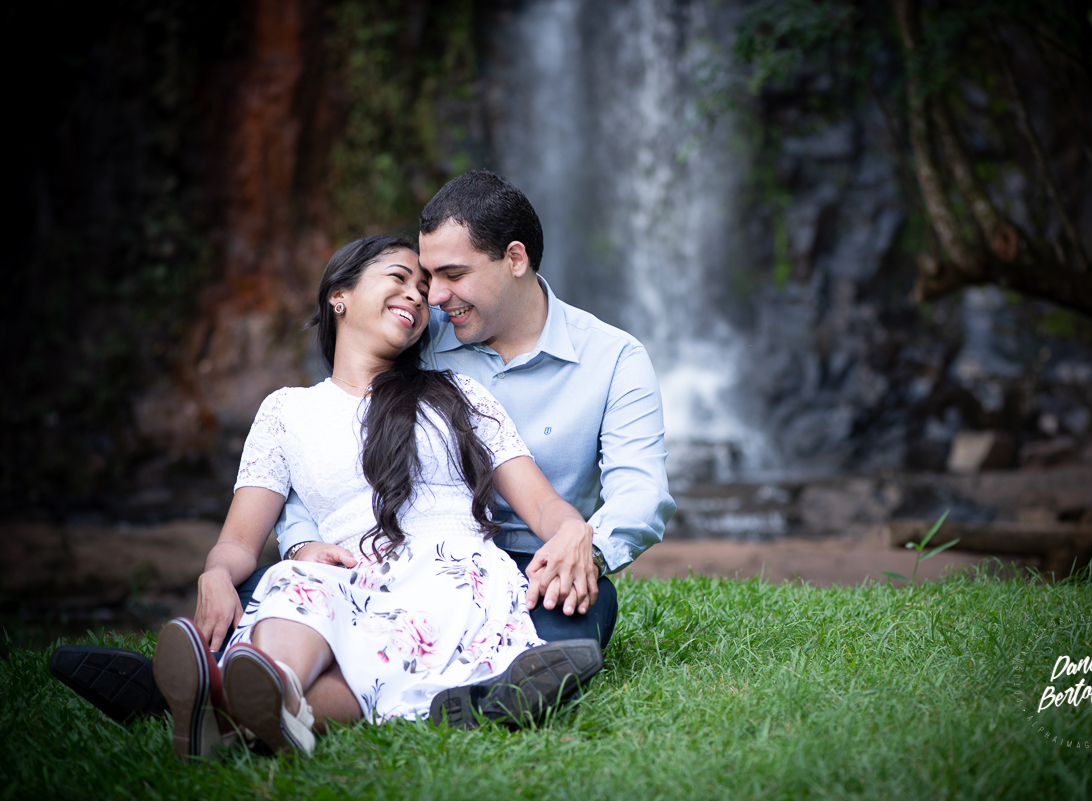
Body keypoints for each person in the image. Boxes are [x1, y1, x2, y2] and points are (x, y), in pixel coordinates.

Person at [51, 169, 675, 728]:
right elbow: (325, 466)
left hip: (524, 561)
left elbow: (637, 493)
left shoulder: (606, 359)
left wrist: (580, 540)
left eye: (449, 277)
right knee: (282, 587)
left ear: (514, 259)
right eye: (420, 279)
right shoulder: (412, 343)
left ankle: (216, 700)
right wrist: (299, 547)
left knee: (572, 613)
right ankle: (242, 695)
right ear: (339, 296)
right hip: (366, 557)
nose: (431, 298)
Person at [152, 234, 603, 759]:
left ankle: (220, 709)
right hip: (348, 574)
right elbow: (238, 541)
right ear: (338, 296)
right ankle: (271, 694)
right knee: (296, 582)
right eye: (399, 278)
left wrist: (572, 530)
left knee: (393, 638)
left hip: (449, 577)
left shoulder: (457, 394)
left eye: (424, 290)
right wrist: (214, 574)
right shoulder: (285, 412)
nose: (417, 295)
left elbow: (541, 502)